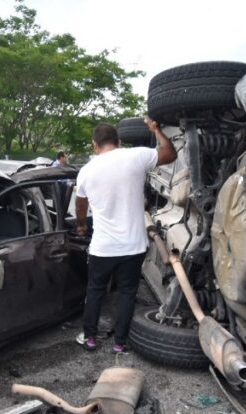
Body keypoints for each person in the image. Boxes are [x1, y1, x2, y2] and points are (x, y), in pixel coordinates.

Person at [74, 119, 176, 352]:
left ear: (94, 145)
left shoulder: (86, 171)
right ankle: (120, 343)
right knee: (127, 293)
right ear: (118, 142)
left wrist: (81, 226)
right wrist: (156, 130)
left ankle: (90, 338)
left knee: (95, 291)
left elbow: (80, 206)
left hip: (103, 247)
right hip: (133, 246)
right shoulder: (136, 156)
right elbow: (170, 154)